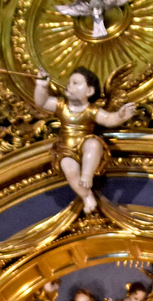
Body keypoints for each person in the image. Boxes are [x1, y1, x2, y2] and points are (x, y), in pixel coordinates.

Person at [32, 65, 135, 212]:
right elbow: (41, 102)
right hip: (66, 149)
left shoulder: (91, 110)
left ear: (89, 91)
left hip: (85, 143)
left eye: (76, 83)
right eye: (69, 83)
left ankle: (87, 175)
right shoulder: (62, 106)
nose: (70, 86)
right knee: (69, 167)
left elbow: (108, 119)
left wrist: (120, 116)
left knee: (93, 145)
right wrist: (41, 86)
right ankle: (87, 196)